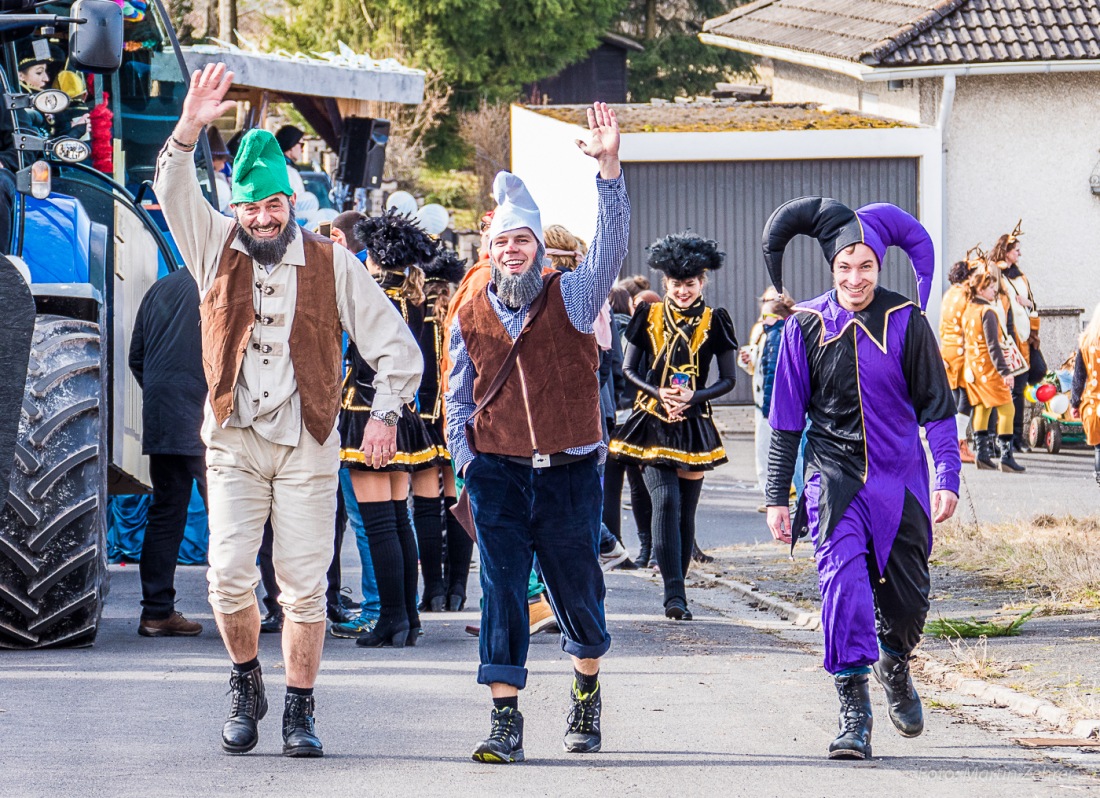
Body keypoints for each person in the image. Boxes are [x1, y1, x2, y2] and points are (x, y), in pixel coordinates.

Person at [152, 63, 422, 758]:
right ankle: (246, 682)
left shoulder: (334, 263)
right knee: (228, 576)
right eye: (251, 207)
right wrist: (189, 127)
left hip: (307, 443)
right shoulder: (213, 245)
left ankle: (300, 709)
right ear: (236, 209)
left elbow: (395, 347)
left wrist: (387, 413)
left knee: (305, 588)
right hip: (234, 441)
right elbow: (172, 187)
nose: (263, 217)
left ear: (290, 202)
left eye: (273, 204)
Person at [446, 102, 628, 764]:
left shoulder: (573, 296)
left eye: (523, 241)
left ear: (538, 249)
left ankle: (585, 689)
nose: (513, 252)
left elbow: (611, 247)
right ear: (490, 251)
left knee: (576, 588)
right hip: (498, 473)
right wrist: (466, 461)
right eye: (503, 243)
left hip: (571, 471)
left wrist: (608, 170)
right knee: (499, 592)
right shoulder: (468, 310)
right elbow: (456, 392)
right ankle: (505, 719)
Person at [761, 196, 961, 761]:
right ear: (831, 268)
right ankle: (853, 706)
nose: (855, 277)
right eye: (844, 266)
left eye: (866, 266)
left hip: (901, 483)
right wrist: (779, 495)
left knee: (906, 604)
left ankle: (895, 664)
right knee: (843, 587)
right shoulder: (804, 327)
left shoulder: (907, 321)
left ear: (880, 265)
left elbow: (938, 411)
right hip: (834, 481)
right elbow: (786, 422)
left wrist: (947, 473)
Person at [610, 233, 737, 619]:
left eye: (691, 284)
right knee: (664, 501)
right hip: (652, 420)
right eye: (677, 284)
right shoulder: (647, 315)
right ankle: (674, 595)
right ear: (665, 284)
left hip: (694, 423)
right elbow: (629, 369)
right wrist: (660, 392)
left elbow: (728, 379)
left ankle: (678, 590)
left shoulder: (717, 320)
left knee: (685, 513)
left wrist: (694, 397)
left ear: (703, 283)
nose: (684, 291)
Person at [338, 210, 442, 647]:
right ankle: (408, 618)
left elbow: (368, 363)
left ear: (375, 257)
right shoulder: (416, 297)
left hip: (369, 410)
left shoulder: (374, 294)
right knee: (399, 519)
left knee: (380, 523)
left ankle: (392, 619)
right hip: (405, 411)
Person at [128, 267, 206, 638]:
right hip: (208, 416)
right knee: (232, 517)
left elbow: (137, 357)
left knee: (164, 515)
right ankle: (248, 611)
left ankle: (156, 612)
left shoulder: (160, 287)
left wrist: (165, 393)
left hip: (162, 414)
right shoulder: (221, 280)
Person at [417, 246, 471, 610]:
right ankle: (458, 589)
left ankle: (432, 589)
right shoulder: (463, 315)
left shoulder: (413, 314)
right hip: (455, 417)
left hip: (421, 419)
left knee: (424, 503)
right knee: (457, 500)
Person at [603, 286, 653, 566]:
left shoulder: (602, 327)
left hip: (611, 416)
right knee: (638, 485)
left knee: (610, 487)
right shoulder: (639, 332)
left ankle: (615, 548)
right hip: (635, 417)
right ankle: (645, 548)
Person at [962, 268, 1026, 473]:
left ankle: (982, 455)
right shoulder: (987, 312)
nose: (993, 292)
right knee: (1008, 410)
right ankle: (1006, 458)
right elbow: (993, 346)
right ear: (981, 289)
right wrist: (1005, 372)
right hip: (991, 369)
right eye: (990, 288)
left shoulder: (969, 309)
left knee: (982, 407)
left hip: (974, 368)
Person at [988, 223, 1041, 452]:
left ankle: (1017, 438)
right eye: (1016, 250)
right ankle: (1000, 438)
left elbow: (1032, 303)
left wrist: (1027, 303)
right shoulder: (994, 273)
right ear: (1006, 250)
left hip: (1024, 339)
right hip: (1005, 340)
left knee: (1020, 388)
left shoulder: (1021, 277)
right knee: (1002, 389)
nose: (1019, 254)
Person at [738, 286, 783, 500]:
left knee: (773, 447)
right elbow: (760, 361)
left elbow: (773, 368)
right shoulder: (761, 329)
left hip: (771, 401)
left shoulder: (780, 329)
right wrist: (747, 359)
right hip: (762, 398)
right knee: (764, 448)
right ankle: (769, 492)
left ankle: (775, 494)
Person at [939, 256, 979, 464]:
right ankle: (960, 442)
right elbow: (969, 325)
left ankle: (953, 442)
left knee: (956, 397)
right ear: (969, 277)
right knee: (967, 397)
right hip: (963, 351)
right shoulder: (966, 295)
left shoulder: (949, 294)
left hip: (949, 350)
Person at [1071, 303, 1100, 487]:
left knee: (1099, 447)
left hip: (1092, 404)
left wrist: (1074, 403)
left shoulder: (1085, 342)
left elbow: (1078, 377)